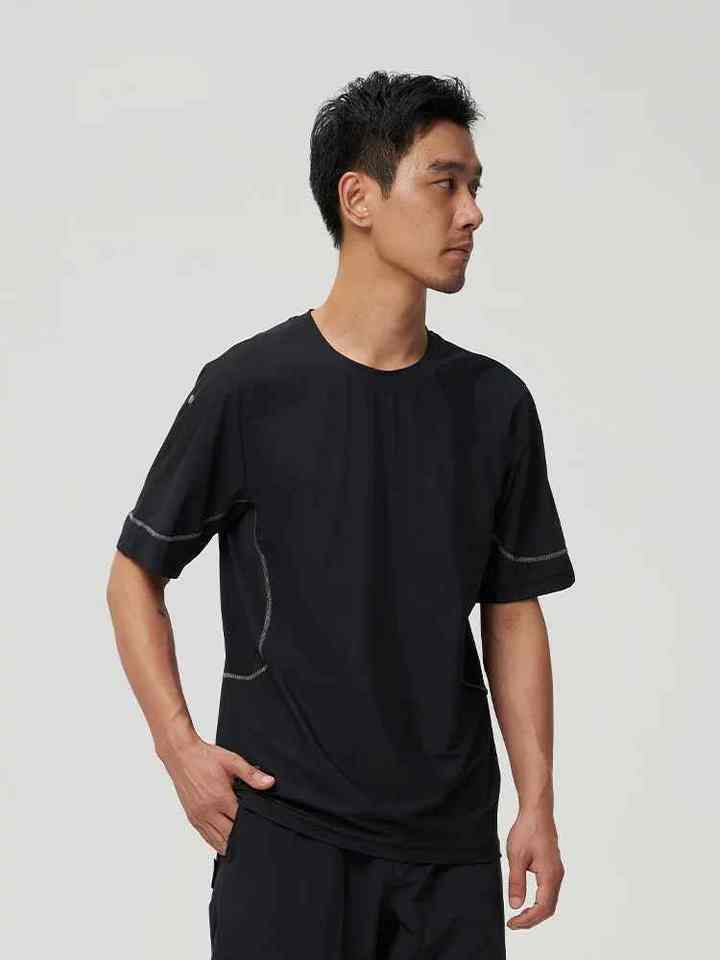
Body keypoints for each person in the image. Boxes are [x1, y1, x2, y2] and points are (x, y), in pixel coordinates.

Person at [106, 70, 575, 959]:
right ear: (358, 198)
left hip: (449, 847)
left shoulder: (495, 405)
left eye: (476, 187)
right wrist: (178, 746)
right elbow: (135, 573)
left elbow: (513, 610)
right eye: (445, 184)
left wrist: (537, 805)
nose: (473, 213)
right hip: (288, 833)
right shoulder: (250, 389)